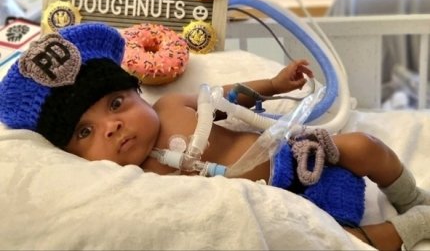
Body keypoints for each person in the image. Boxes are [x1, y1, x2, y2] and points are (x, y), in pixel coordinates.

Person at [0, 22, 429, 251]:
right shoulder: (135, 184)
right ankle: (407, 230)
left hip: (294, 159)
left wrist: (276, 84)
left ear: (137, 92)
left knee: (364, 147)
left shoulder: (171, 107)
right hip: (281, 206)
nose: (112, 126)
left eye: (115, 104)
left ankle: (411, 197)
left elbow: (229, 97)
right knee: (329, 239)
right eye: (85, 131)